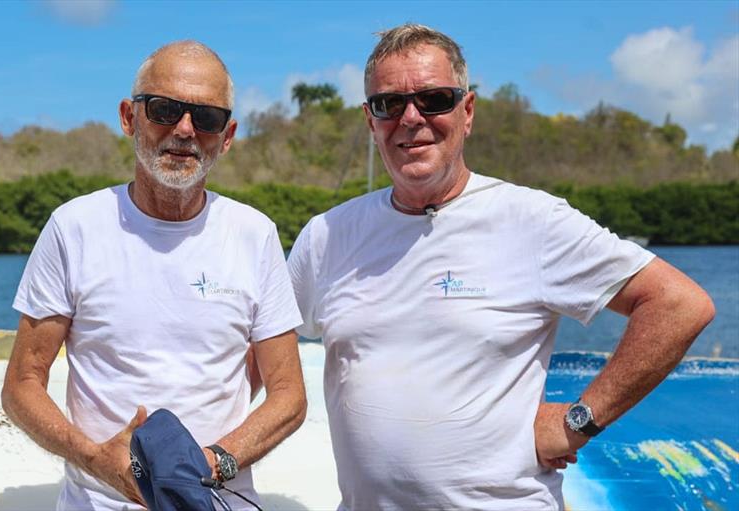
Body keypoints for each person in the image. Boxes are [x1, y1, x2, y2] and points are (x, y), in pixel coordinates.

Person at [286, 24, 715, 510]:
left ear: (467, 112)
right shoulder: (327, 236)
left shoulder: (532, 221)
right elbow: (263, 352)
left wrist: (579, 421)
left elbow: (679, 304)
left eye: (434, 99)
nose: (411, 118)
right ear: (370, 120)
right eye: (389, 104)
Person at [1, 41, 307, 511]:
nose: (185, 130)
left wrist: (213, 463)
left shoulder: (255, 234)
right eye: (164, 110)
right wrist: (99, 460)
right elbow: (22, 384)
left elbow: (288, 396)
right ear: (129, 117)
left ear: (226, 136)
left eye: (206, 118)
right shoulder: (74, 227)